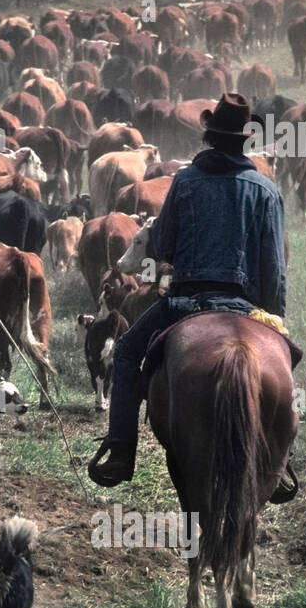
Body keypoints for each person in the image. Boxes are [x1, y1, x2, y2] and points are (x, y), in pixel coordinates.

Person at [88, 92, 289, 488]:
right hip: (246, 307)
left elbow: (161, 244)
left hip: (185, 303)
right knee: (282, 362)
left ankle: (122, 450)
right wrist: (275, 318)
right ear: (246, 140)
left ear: (210, 137)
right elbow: (275, 271)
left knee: (127, 354)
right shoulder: (266, 191)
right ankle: (282, 463)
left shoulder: (185, 182)